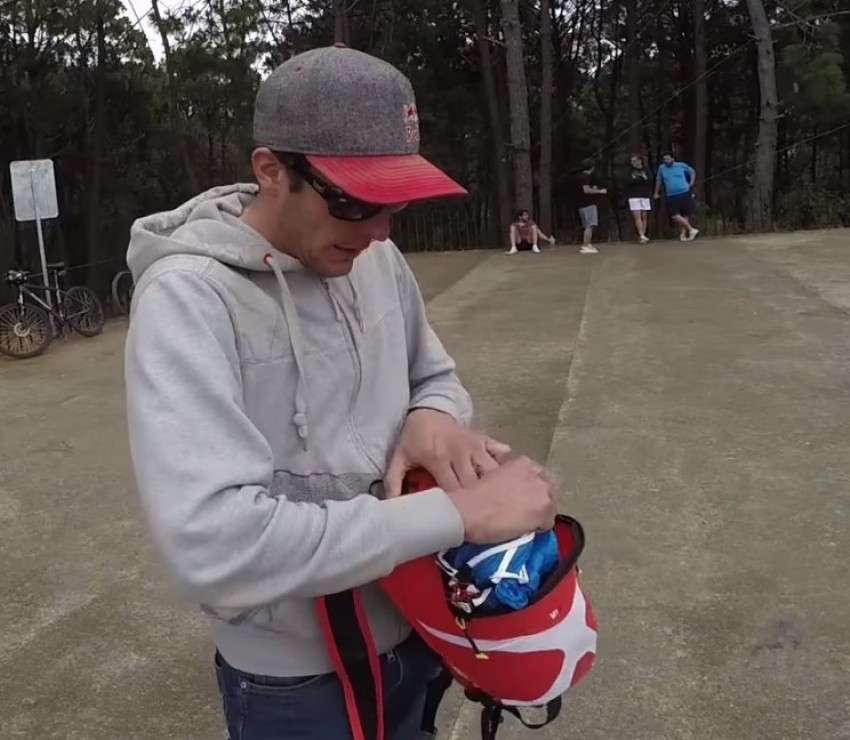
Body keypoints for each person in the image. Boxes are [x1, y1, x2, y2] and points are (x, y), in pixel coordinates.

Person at [124, 44, 558, 740]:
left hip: (422, 624)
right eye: (357, 202)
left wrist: (434, 417)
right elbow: (213, 546)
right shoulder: (189, 300)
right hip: (296, 680)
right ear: (271, 171)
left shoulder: (372, 256)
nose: (381, 231)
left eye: (397, 203)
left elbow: (434, 375)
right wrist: (459, 513)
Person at [654, 151, 700, 241]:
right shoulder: (662, 168)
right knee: (674, 215)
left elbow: (692, 171)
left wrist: (691, 182)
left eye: (668, 159)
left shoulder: (681, 165)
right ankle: (691, 229)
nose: (666, 161)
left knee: (685, 214)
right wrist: (656, 192)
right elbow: (659, 180)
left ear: (672, 158)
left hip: (684, 192)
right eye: (664, 159)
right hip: (671, 195)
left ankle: (684, 234)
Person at [573, 158, 608, 254]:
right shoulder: (586, 177)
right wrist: (599, 191)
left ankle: (587, 244)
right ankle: (585, 245)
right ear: (592, 167)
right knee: (590, 225)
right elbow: (586, 190)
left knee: (587, 225)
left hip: (581, 205)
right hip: (588, 204)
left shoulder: (579, 177)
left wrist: (593, 188)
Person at [624, 154, 653, 244]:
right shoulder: (630, 171)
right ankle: (640, 234)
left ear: (640, 161)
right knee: (637, 216)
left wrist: (643, 179)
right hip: (634, 195)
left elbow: (650, 180)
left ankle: (643, 235)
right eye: (632, 161)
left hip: (644, 195)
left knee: (644, 216)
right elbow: (628, 181)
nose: (633, 163)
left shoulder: (646, 170)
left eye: (634, 160)